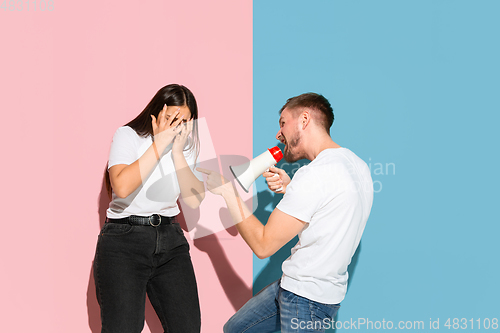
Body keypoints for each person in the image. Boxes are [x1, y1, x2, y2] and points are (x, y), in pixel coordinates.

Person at [198, 92, 373, 333]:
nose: (278, 134)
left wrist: (229, 192)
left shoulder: (313, 175)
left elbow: (263, 245)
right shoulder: (357, 165)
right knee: (236, 329)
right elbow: (333, 210)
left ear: (304, 119)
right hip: (300, 287)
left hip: (305, 298)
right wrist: (292, 190)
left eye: (283, 123)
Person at [93, 84, 205, 333]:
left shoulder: (187, 146)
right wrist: (159, 144)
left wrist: (176, 151)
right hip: (124, 242)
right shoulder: (128, 135)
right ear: (156, 112)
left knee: (187, 327)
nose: (177, 126)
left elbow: (194, 200)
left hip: (171, 241)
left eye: (184, 121)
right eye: (171, 118)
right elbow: (121, 186)